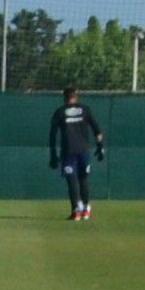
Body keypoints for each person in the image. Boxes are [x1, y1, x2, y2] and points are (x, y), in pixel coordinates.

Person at [49, 87, 106, 220]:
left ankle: (76, 210)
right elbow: (97, 131)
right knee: (83, 179)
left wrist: (53, 154)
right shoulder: (85, 110)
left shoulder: (60, 112)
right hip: (83, 151)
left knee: (72, 180)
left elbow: (52, 134)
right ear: (76, 97)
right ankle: (85, 209)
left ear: (64, 98)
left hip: (68, 151)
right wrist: (100, 147)